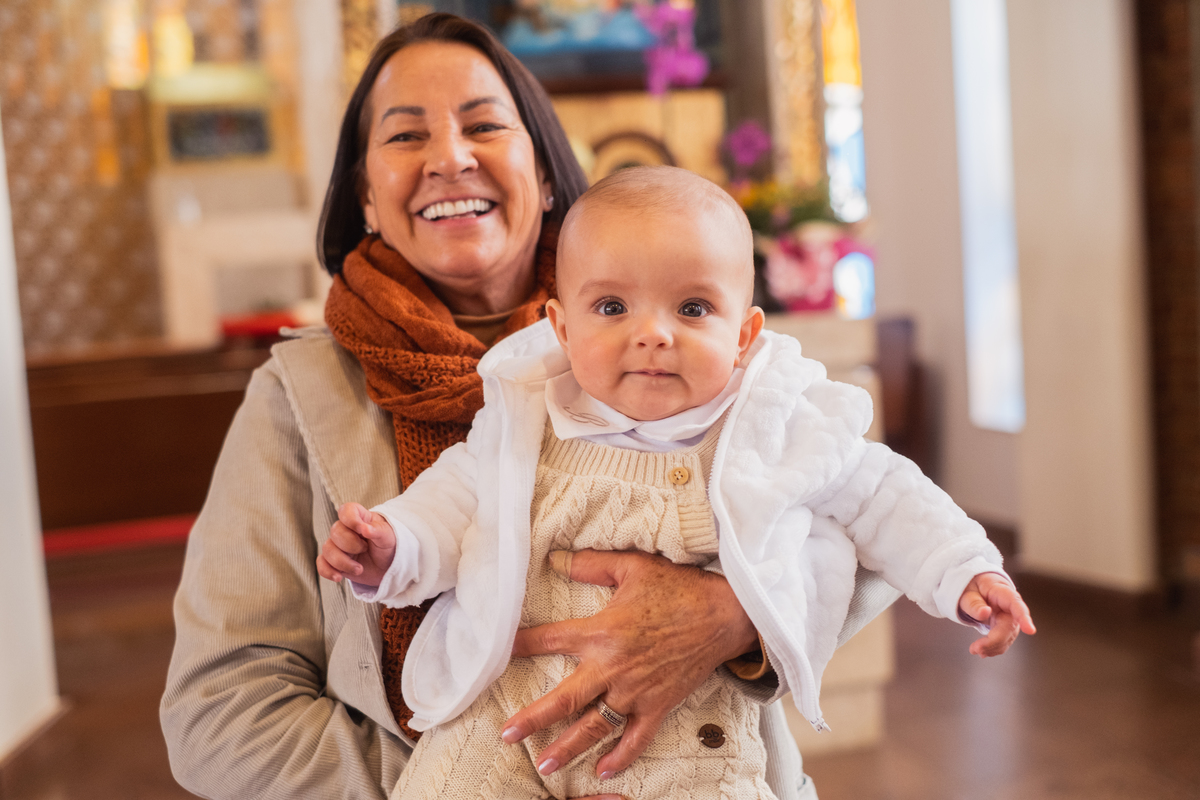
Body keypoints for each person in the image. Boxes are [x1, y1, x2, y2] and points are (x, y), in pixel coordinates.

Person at [160, 14, 921, 800]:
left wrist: (733, 617)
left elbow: (864, 524)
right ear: (365, 196)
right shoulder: (296, 394)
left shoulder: (687, 347)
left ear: (548, 170)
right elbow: (218, 715)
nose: (450, 158)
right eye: (406, 135)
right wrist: (479, 776)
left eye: (484, 125)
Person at [318, 166, 1037, 800]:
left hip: (684, 739)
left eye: (692, 308)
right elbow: (452, 504)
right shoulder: (526, 419)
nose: (654, 334)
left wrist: (963, 569)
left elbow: (885, 494)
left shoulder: (772, 425)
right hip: (503, 719)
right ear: (561, 328)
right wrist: (394, 545)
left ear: (744, 334)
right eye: (612, 308)